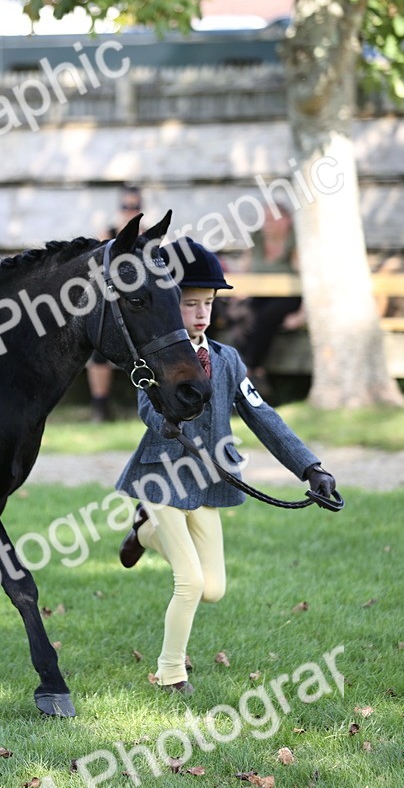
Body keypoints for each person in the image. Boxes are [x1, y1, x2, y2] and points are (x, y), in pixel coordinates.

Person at [115, 237, 336, 695]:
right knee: (190, 581)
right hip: (162, 478)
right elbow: (146, 409)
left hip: (208, 481)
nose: (200, 313)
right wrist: (167, 423)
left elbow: (262, 415)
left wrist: (310, 468)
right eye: (189, 303)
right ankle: (171, 672)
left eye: (208, 303)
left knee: (214, 587)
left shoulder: (228, 360)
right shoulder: (153, 358)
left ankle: (144, 532)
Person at [231, 202, 305, 396]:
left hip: (289, 297)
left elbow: (308, 281)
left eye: (272, 219)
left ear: (287, 221)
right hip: (258, 294)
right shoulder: (256, 240)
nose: (267, 224)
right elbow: (244, 272)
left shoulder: (295, 242)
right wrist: (238, 294)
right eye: (265, 219)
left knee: (265, 317)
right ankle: (256, 373)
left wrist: (302, 315)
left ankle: (249, 370)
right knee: (237, 313)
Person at [88, 185, 144, 422]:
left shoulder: (148, 237)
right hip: (111, 304)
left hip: (141, 306)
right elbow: (95, 274)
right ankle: (100, 408)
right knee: (98, 345)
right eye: (126, 206)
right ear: (119, 209)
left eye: (135, 206)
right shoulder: (107, 236)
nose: (130, 211)